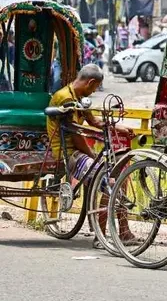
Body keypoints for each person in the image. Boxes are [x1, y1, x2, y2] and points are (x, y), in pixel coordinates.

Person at [46, 64, 133, 247]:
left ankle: (124, 231)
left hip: (79, 150)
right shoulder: (65, 98)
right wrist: (94, 157)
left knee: (121, 178)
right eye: (94, 88)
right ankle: (100, 235)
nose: (93, 92)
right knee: (109, 181)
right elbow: (76, 137)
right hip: (69, 153)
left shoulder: (78, 98)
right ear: (91, 82)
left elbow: (94, 122)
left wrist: (119, 128)